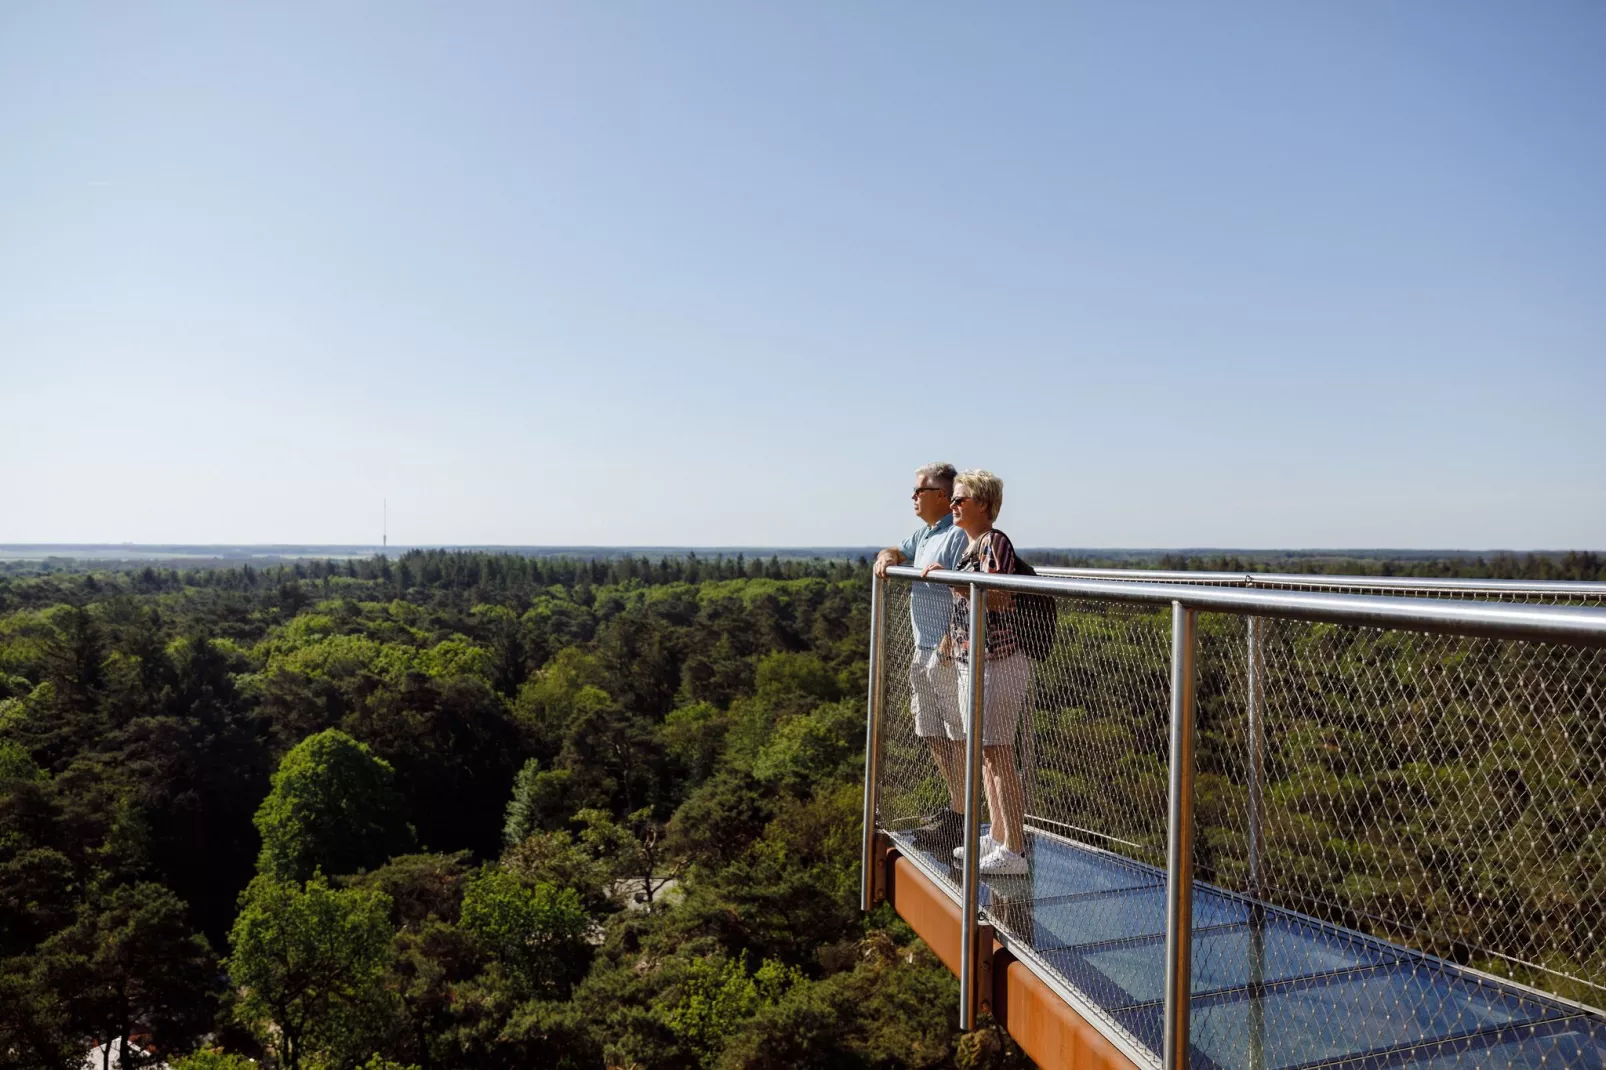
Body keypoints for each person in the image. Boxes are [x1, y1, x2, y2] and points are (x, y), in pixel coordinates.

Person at [921, 469, 1030, 877]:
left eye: (960, 500)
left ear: (982, 504)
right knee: (986, 755)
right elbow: (968, 604)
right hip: (974, 662)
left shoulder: (994, 542)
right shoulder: (970, 548)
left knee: (998, 754)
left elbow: (1000, 598)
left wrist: (956, 581)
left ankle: (1014, 850)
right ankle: (998, 835)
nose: (953, 506)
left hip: (999, 662)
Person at [874, 462, 970, 850]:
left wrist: (949, 640)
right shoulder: (926, 534)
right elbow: (898, 548)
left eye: (920, 490)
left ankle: (963, 817)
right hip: (922, 649)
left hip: (946, 652)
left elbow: (969, 588)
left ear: (943, 497)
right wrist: (886, 556)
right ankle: (956, 808)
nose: (913, 497)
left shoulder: (957, 536)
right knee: (932, 734)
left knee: (956, 736)